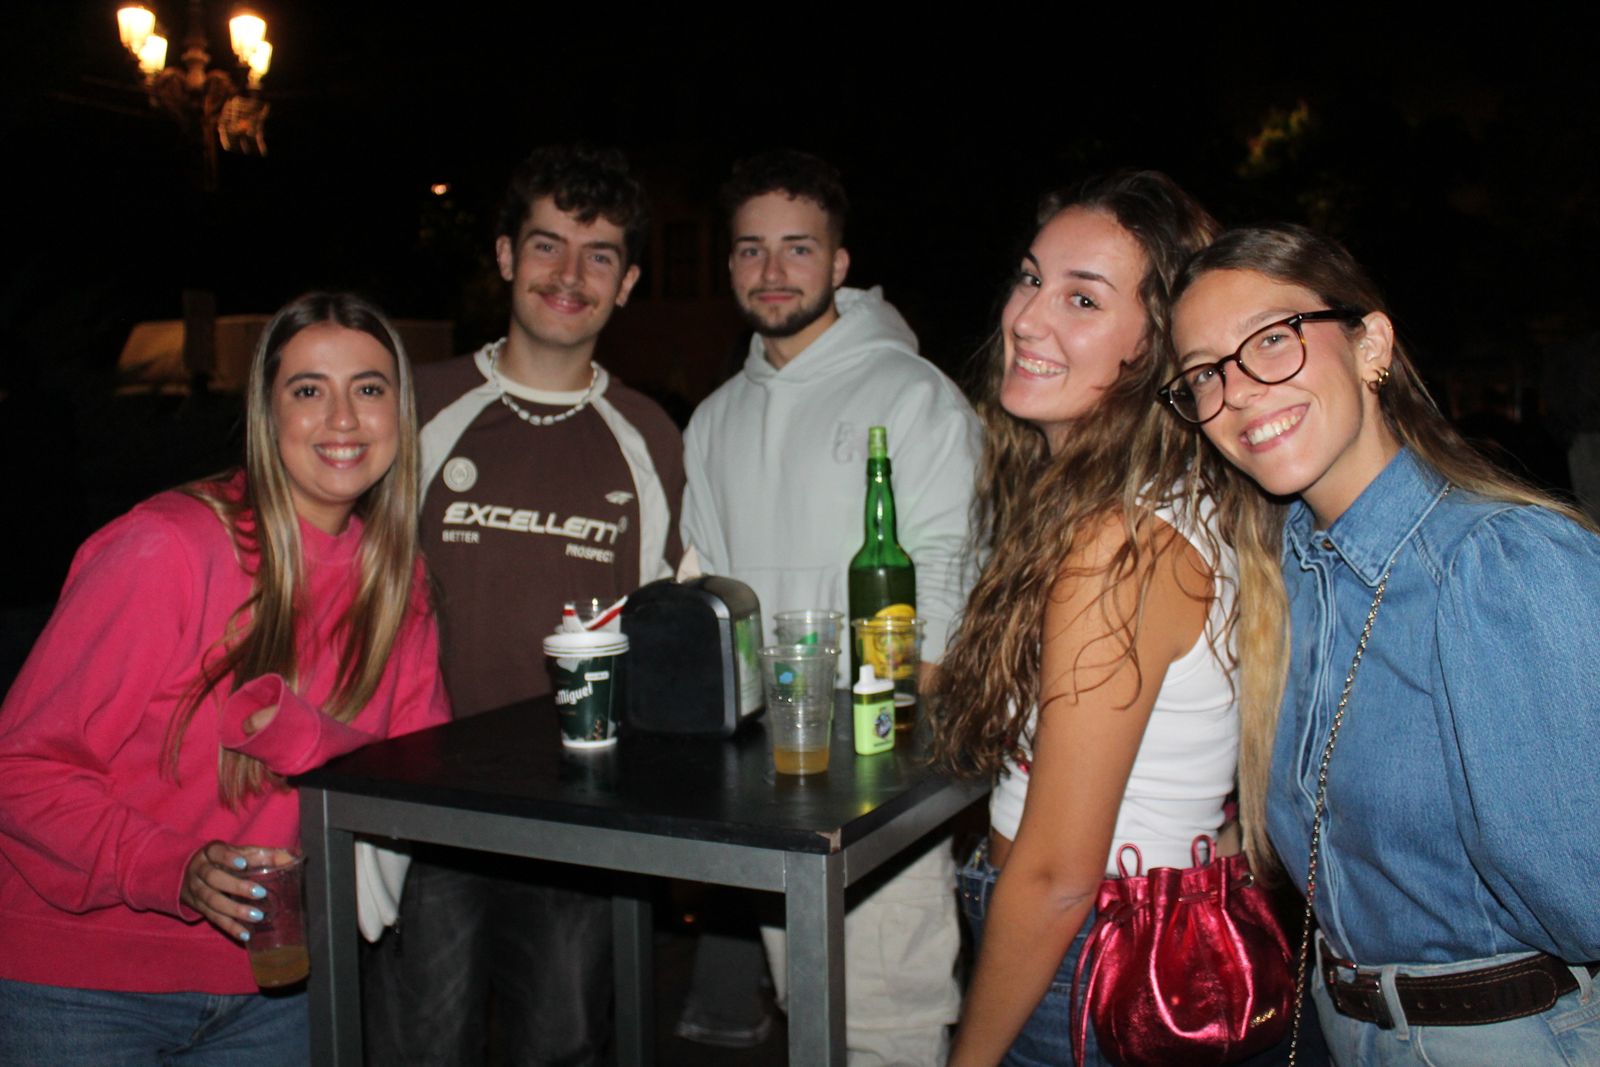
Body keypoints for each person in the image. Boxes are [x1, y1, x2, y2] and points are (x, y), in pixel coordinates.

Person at [1163, 223, 1600, 1065]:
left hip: (1511, 1037)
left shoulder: (1497, 565)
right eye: (1205, 374)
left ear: (1372, 345)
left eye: (1272, 342)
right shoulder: (1286, 570)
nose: (1241, 390)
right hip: (1342, 1024)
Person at [0, 291, 451, 1065]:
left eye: (369, 388)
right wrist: (171, 867)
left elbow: (413, 780)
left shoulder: (399, 581)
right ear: (264, 414)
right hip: (83, 982)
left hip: (276, 987)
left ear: (400, 414)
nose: (342, 417)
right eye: (308, 389)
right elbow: (21, 768)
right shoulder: (167, 547)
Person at [364, 144, 683, 1066]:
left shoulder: (652, 435)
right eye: (547, 245)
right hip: (419, 807)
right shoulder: (414, 403)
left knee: (564, 1049)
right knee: (420, 1051)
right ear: (504, 255)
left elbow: (669, 620)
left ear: (627, 284)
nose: (570, 275)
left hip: (575, 817)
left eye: (600, 255)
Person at [681, 149, 982, 1064]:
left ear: (840, 265)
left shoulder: (915, 394)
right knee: (810, 1013)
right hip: (772, 778)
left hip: (879, 774)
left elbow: (945, 572)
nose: (772, 272)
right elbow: (713, 596)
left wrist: (892, 778)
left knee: (888, 1023)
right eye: (750, 250)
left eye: (797, 248)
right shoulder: (715, 417)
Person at [932, 171, 1233, 1067]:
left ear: (1156, 346)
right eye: (1031, 279)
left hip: (1082, 959)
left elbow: (1060, 873)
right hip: (1092, 946)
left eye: (1083, 298)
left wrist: (969, 1059)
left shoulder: (1121, 542)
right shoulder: (1126, 505)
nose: (1027, 319)